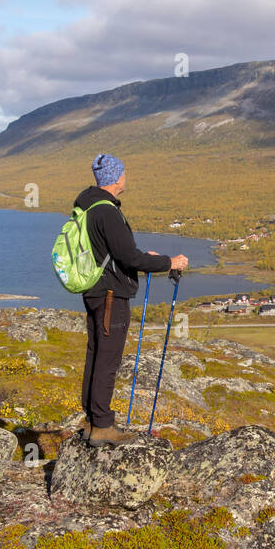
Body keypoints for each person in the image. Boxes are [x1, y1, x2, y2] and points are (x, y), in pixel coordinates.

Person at [75, 153, 187, 447]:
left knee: (95, 354)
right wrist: (168, 262)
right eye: (123, 173)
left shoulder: (88, 206)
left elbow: (117, 253)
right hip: (112, 295)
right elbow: (127, 256)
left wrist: (143, 258)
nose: (126, 178)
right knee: (107, 359)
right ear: (116, 178)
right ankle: (101, 426)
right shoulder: (107, 212)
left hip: (96, 290)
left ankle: (92, 420)